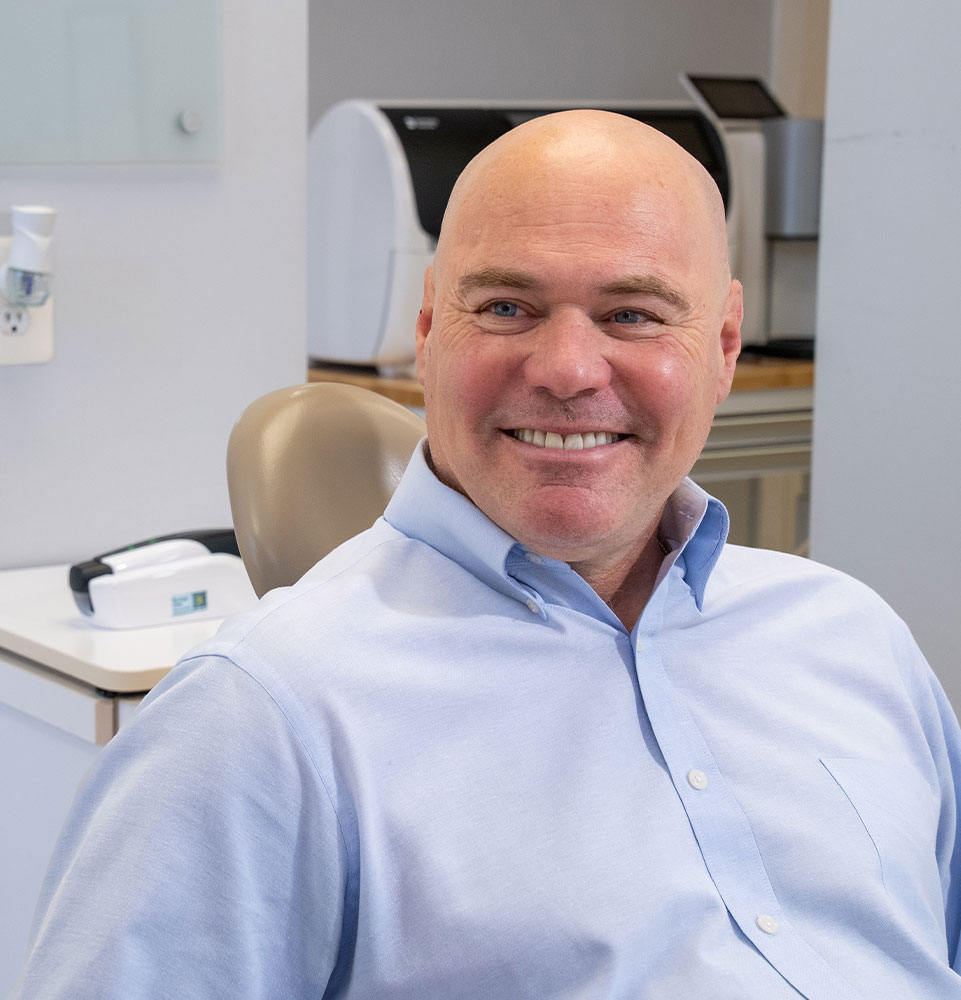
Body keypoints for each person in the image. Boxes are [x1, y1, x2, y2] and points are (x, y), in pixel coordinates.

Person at [12, 111, 961, 999]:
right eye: (507, 307)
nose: (565, 369)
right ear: (428, 333)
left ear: (720, 344)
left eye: (632, 314)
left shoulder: (852, 638)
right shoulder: (261, 716)